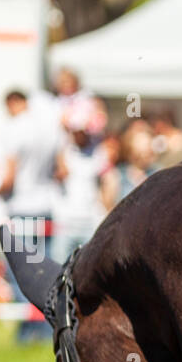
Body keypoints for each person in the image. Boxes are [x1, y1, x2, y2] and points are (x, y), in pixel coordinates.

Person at [0, 89, 61, 343]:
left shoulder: (16, 129)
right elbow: (61, 168)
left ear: (14, 102)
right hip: (46, 205)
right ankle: (47, 328)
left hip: (23, 207)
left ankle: (26, 331)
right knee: (45, 270)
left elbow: (10, 175)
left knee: (21, 272)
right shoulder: (49, 130)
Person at [53, 98, 109, 263]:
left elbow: (106, 184)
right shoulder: (63, 151)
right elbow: (59, 172)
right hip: (65, 223)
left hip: (91, 222)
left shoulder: (99, 151)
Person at [99, 125, 157, 209]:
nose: (149, 151)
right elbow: (108, 211)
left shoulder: (158, 173)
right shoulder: (115, 176)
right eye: (144, 148)